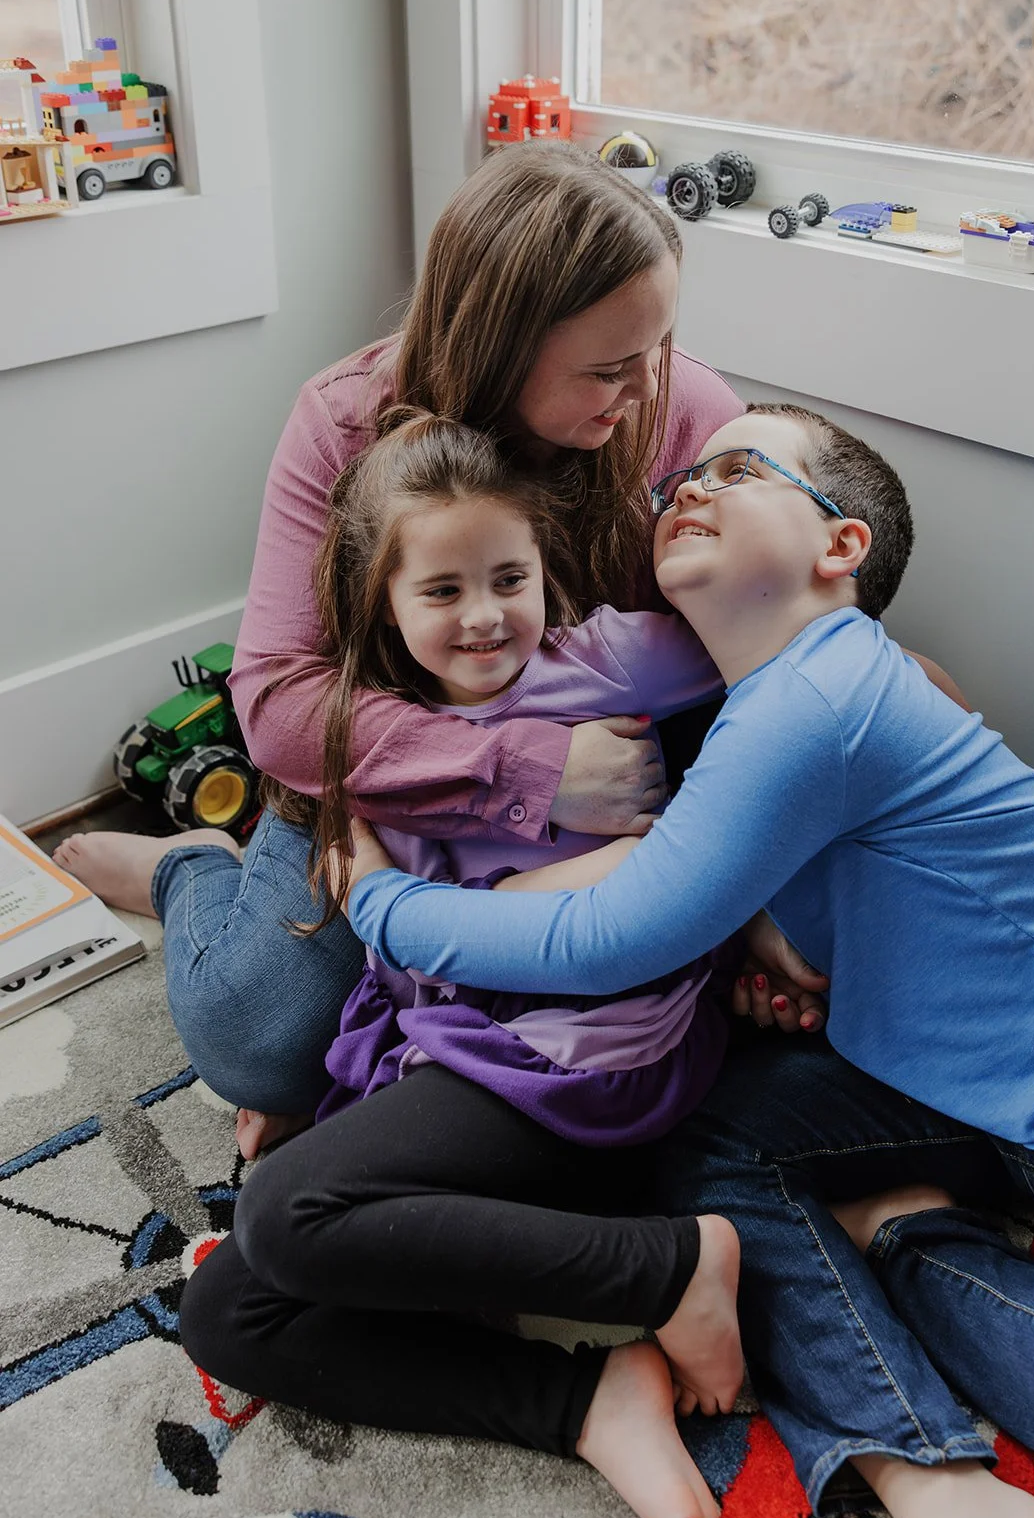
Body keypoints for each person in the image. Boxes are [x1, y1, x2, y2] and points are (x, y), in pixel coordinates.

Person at [334, 402, 1034, 1518]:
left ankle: (914, 1238)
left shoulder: (824, 689)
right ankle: (924, 1468)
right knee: (704, 1141)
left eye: (740, 467)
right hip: (966, 1086)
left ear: (839, 547)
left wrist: (381, 904)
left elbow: (613, 934)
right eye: (682, 481)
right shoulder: (761, 709)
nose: (688, 489)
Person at [52, 137, 743, 1156]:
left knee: (679, 1007)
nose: (647, 389)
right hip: (387, 791)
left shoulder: (685, 412)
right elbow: (280, 700)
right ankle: (192, 868)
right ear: (503, 344)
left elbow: (773, 647)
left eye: (660, 348)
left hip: (603, 802)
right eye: (608, 367)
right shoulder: (342, 421)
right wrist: (527, 770)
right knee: (262, 1046)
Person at [180, 407, 750, 1518]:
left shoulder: (598, 659)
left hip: (585, 1056)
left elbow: (773, 651)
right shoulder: (386, 739)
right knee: (228, 1310)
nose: (487, 613)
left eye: (510, 576)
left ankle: (670, 1267)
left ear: (547, 568)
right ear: (382, 603)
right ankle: (582, 1401)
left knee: (288, 1208)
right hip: (469, 1051)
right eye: (442, 591)